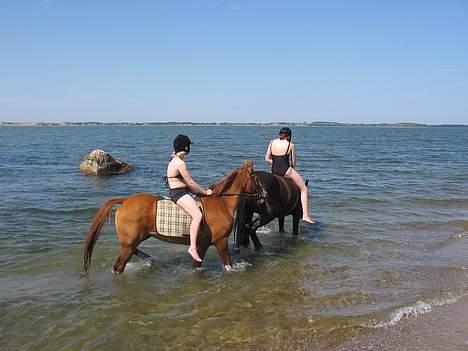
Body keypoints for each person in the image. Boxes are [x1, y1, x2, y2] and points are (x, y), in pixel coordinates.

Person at [166, 134, 213, 262]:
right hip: (179, 194)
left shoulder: (173, 159)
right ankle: (192, 247)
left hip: (181, 191)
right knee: (198, 215)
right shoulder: (180, 163)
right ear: (185, 147)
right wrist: (205, 192)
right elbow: (190, 182)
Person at [265, 127, 315, 224]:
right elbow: (293, 164)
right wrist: (286, 167)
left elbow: (266, 159)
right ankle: (305, 215)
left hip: (274, 170)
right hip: (286, 170)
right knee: (304, 188)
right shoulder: (291, 145)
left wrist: (276, 162)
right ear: (288, 136)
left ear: (279, 134)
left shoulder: (272, 142)